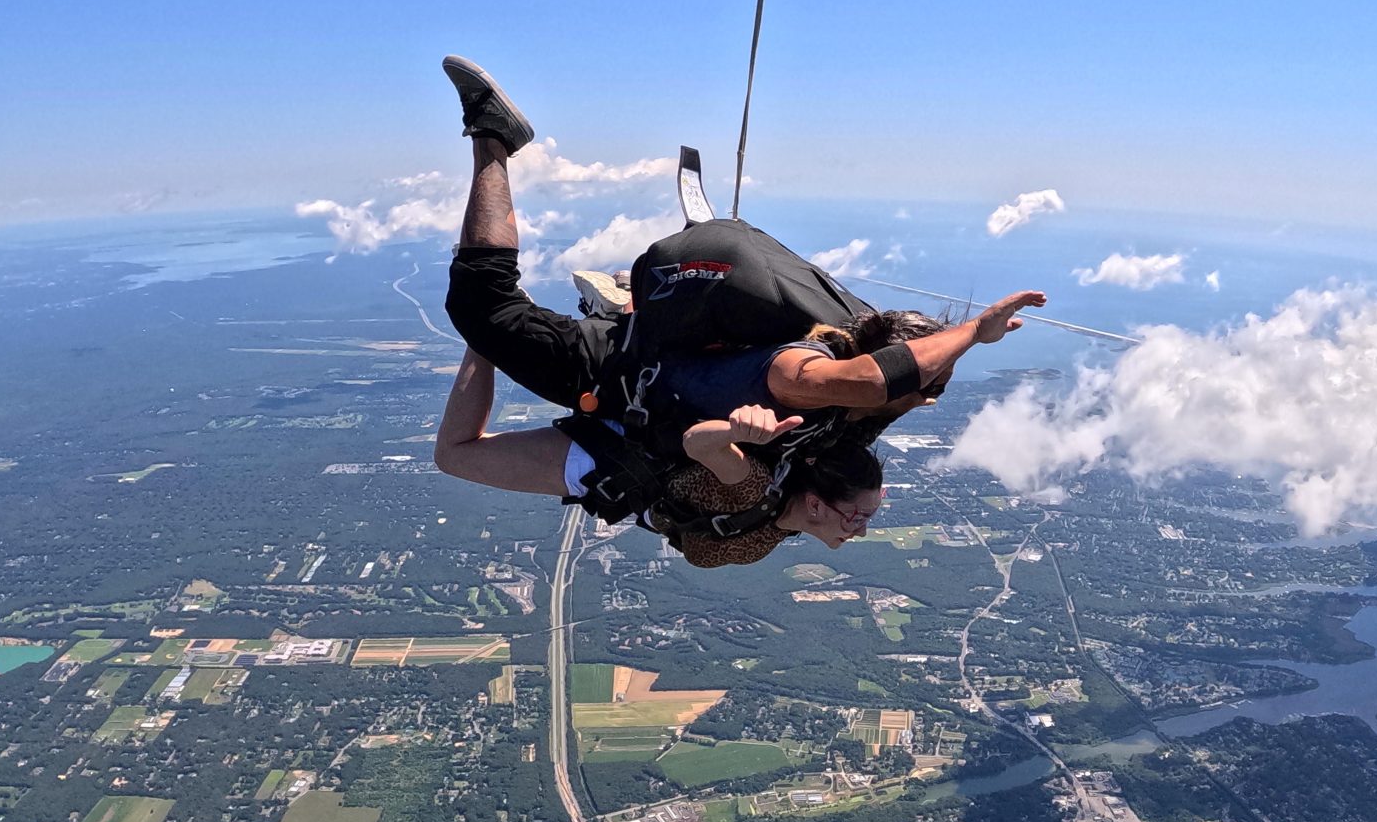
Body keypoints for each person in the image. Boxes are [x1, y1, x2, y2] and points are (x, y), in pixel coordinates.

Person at [430, 55, 1044, 564]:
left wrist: (958, 349)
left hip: (634, 429)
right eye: (862, 514)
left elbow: (896, 387)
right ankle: (496, 141)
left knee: (457, 435)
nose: (861, 528)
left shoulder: (840, 436)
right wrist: (970, 332)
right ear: (819, 501)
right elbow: (726, 438)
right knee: (479, 308)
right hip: (622, 390)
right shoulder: (802, 402)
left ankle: (629, 307)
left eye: (861, 516)